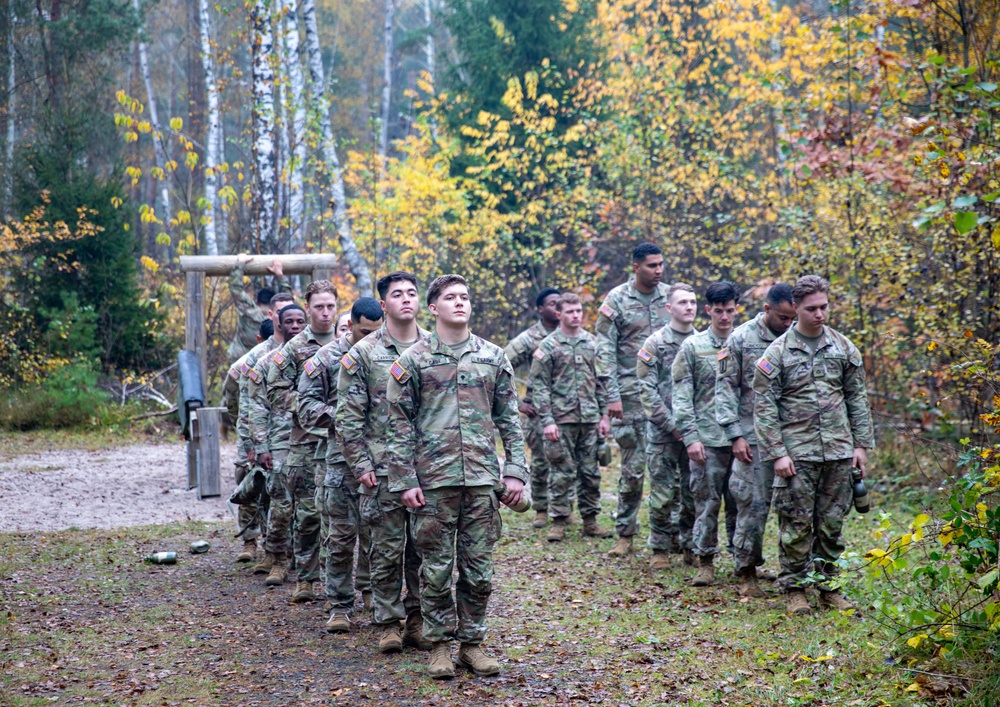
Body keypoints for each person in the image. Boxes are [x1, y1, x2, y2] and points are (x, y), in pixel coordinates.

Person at [387, 274, 527, 679]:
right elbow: (397, 425)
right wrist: (405, 479)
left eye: (465, 297)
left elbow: (509, 421)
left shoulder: (493, 356)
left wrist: (515, 473)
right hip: (434, 482)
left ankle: (472, 644)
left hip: (482, 479)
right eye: (450, 298)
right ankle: (438, 647)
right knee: (435, 570)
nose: (460, 303)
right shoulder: (413, 359)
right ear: (434, 308)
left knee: (479, 571)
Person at [753, 275, 873, 615]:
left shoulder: (843, 348)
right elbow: (763, 407)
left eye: (823, 307)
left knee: (832, 524)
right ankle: (795, 589)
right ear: (796, 308)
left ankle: (829, 587)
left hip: (838, 450)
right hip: (797, 453)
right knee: (795, 523)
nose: (819, 314)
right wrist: (777, 453)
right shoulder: (776, 353)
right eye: (811, 309)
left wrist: (861, 445)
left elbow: (857, 398)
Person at [337, 272, 433, 653]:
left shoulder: (434, 346)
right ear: (383, 304)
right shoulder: (363, 353)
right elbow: (347, 417)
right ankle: (389, 622)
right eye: (397, 294)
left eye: (412, 293)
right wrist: (361, 465)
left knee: (424, 550)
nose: (406, 299)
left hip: (427, 469)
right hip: (381, 471)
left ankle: (417, 620)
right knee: (385, 549)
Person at [298, 297, 382, 633]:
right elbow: (305, 405)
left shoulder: (390, 353)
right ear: (350, 326)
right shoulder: (329, 357)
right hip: (339, 459)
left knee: (378, 533)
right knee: (340, 535)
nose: (370, 338)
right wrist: (344, 418)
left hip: (381, 458)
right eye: (364, 331)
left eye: (376, 331)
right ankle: (339, 605)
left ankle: (372, 591)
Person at [715, 283, 796, 597]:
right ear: (766, 310)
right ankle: (746, 569)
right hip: (753, 437)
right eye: (782, 317)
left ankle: (796, 570)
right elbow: (724, 390)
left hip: (794, 436)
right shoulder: (740, 339)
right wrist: (734, 434)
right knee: (752, 504)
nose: (787, 323)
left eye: (792, 317)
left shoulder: (800, 338)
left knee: (795, 507)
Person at [595, 243, 671, 556]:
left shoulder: (671, 297)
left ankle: (673, 536)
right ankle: (625, 534)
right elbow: (604, 350)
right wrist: (611, 396)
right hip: (631, 396)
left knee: (669, 468)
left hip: (668, 395)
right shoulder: (616, 300)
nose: (658, 270)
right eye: (652, 265)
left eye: (661, 264)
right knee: (633, 468)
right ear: (636, 267)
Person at [266, 281, 339, 602]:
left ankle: (350, 583)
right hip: (307, 441)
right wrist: (311, 407)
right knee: (308, 513)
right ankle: (306, 579)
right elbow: (275, 390)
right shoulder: (294, 348)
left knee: (343, 516)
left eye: (330, 306)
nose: (325, 312)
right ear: (307, 308)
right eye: (319, 307)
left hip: (344, 443)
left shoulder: (350, 342)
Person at [528, 293, 612, 542]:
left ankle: (590, 520)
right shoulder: (548, 346)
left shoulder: (592, 344)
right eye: (570, 311)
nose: (575, 315)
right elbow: (540, 386)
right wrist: (548, 421)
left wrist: (604, 416)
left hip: (589, 419)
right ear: (559, 314)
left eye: (578, 311)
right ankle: (559, 520)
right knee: (561, 471)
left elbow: (601, 384)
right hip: (561, 420)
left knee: (590, 472)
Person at [672, 281, 740, 586]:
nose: (724, 317)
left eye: (729, 310)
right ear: (709, 311)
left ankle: (743, 561)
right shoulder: (693, 347)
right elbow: (681, 395)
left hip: (741, 439)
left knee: (742, 504)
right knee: (707, 502)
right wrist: (690, 436)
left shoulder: (745, 343)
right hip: (707, 439)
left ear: (736, 309)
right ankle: (705, 560)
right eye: (718, 311)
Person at [637, 283, 699, 571]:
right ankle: (660, 547)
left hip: (697, 434)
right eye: (683, 302)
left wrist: (693, 429)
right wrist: (674, 426)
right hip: (663, 433)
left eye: (693, 302)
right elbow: (646, 392)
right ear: (669, 308)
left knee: (693, 493)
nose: (689, 307)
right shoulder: (655, 343)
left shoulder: (703, 343)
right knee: (662, 494)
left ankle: (690, 545)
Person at [249, 304, 307, 581]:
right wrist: (261, 446)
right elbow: (257, 407)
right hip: (280, 440)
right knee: (281, 503)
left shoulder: (319, 355)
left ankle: (305, 562)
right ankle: (277, 556)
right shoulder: (267, 362)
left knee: (310, 506)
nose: (295, 326)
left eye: (300, 321)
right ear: (279, 325)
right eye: (290, 322)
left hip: (312, 440)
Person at [504, 287, 560, 528]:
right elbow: (501, 365)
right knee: (540, 462)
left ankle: (564, 511)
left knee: (569, 464)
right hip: (538, 412)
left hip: (568, 412)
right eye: (552, 304)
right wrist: (517, 403)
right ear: (540, 309)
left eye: (561, 304)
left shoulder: (572, 333)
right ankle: (541, 509)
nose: (557, 309)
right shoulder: (530, 338)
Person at [227, 254, 292, 360]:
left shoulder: (248, 311)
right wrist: (279, 275)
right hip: (274, 363)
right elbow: (287, 301)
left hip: (242, 363)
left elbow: (236, 288)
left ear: (256, 302)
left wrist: (240, 264)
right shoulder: (281, 317)